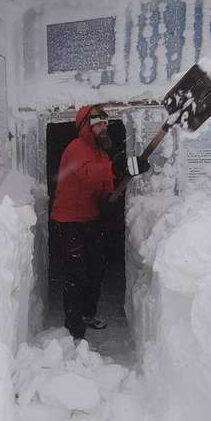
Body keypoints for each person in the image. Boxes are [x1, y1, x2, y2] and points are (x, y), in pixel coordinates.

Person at [50, 104, 148, 340]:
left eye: (105, 123)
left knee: (96, 269)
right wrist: (118, 166)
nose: (104, 127)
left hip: (90, 219)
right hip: (68, 222)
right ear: (86, 127)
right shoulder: (76, 148)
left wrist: (114, 191)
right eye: (98, 124)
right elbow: (88, 173)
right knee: (76, 274)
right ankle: (74, 328)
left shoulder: (101, 153)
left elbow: (105, 186)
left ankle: (87, 314)